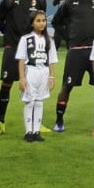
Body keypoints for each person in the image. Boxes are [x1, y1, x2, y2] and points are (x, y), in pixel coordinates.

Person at [0, 0, 49, 136]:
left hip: (33, 51)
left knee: (35, 86)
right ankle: (1, 122)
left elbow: (40, 22)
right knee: (6, 84)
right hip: (13, 47)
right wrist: (10, 35)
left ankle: (36, 123)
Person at [51, 0, 94, 133]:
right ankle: (59, 120)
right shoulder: (69, 3)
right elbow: (56, 22)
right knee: (67, 87)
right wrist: (68, 38)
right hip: (76, 52)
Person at [17, 9, 57, 143]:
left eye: (44, 20)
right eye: (38, 21)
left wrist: (52, 77)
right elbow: (22, 59)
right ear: (32, 23)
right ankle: (28, 131)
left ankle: (36, 131)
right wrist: (22, 78)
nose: (42, 23)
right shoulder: (25, 39)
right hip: (31, 71)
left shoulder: (49, 40)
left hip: (44, 72)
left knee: (39, 101)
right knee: (30, 101)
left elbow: (51, 60)